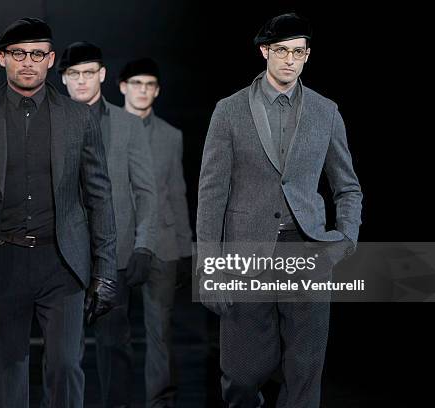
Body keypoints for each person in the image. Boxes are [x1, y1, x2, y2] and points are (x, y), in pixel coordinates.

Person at [0, 17, 118, 408]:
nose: (28, 62)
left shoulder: (78, 118)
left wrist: (105, 272)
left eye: (37, 54)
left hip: (62, 263)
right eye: (18, 53)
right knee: (5, 376)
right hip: (3, 264)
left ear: (51, 60)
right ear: (2, 59)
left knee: (66, 368)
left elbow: (100, 197)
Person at [196, 13, 362, 408]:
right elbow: (211, 194)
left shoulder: (326, 111)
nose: (290, 59)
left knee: (304, 372)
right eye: (282, 50)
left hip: (307, 251)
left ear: (307, 56)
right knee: (240, 375)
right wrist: (208, 266)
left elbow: (348, 186)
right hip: (245, 253)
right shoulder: (229, 110)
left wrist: (346, 240)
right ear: (264, 52)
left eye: (298, 52)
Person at [54, 40, 158, 408]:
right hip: (61, 256)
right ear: (63, 79)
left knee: (114, 348)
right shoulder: (47, 124)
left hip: (114, 255)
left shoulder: (129, 126)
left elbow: (146, 191)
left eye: (88, 73)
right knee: (64, 354)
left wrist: (145, 244)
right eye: (73, 74)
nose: (82, 81)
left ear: (101, 75)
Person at [119, 57, 194, 408]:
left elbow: (176, 192)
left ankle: (159, 403)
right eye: (137, 83)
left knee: (159, 331)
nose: (143, 90)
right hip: (117, 245)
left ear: (158, 90)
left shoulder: (171, 136)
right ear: (122, 87)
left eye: (149, 84)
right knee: (112, 334)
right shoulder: (103, 129)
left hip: (162, 246)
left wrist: (185, 248)